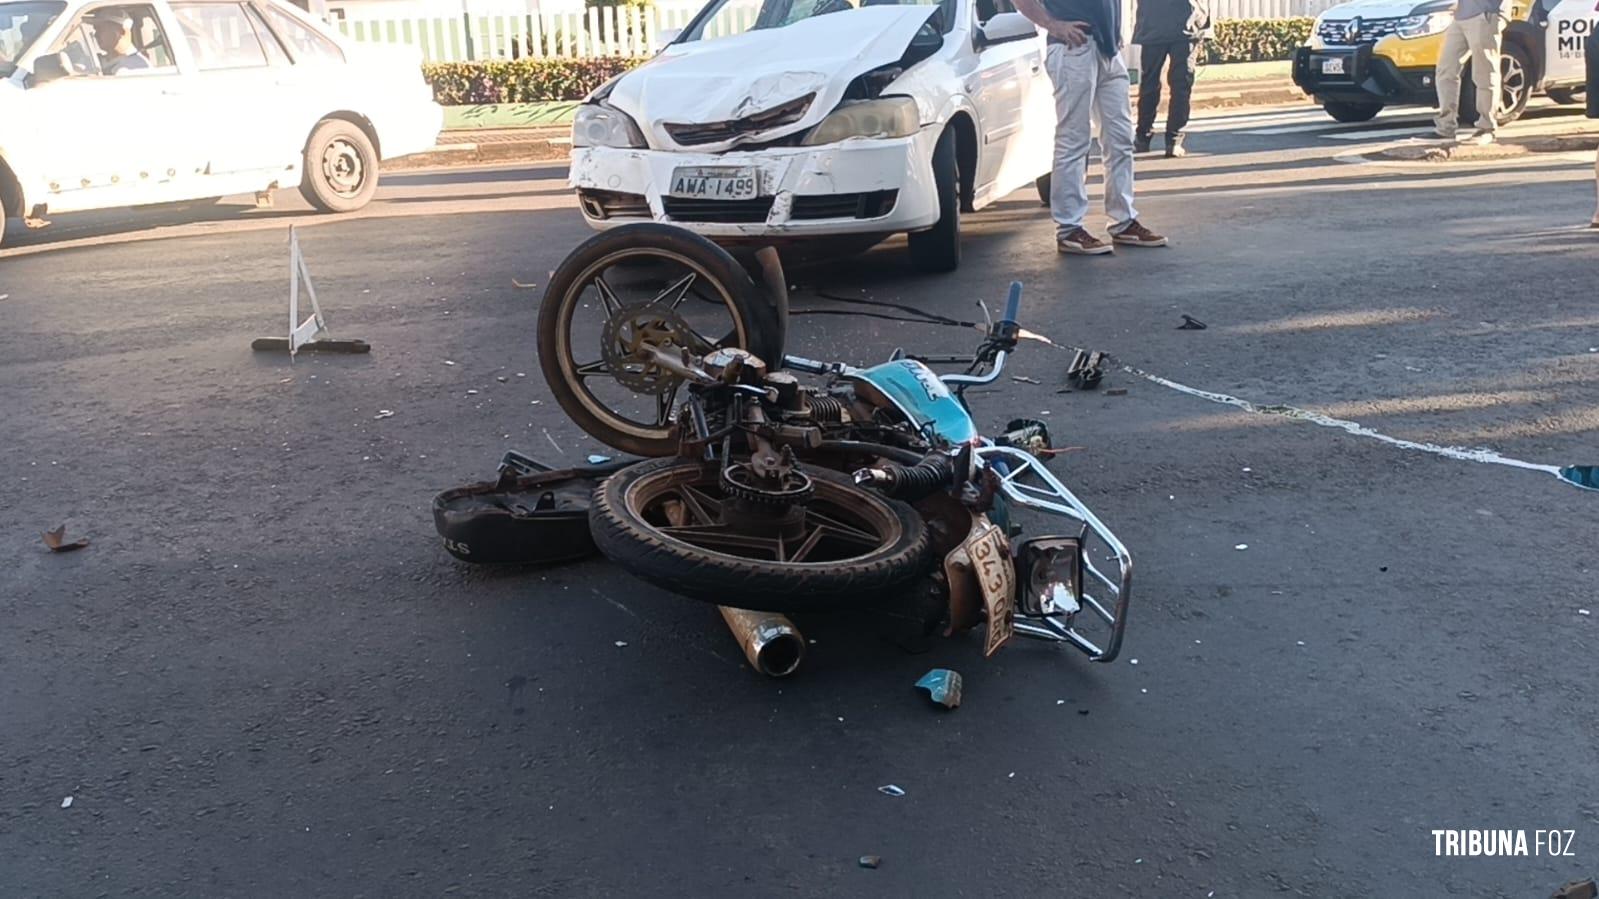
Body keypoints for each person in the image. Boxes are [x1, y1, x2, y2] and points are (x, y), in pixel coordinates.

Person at [1014, 0, 1165, 255]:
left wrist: (1114, 33)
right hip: (1073, 47)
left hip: (1107, 49)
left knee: (1121, 139)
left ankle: (1123, 220)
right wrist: (1053, 25)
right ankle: (1069, 228)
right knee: (1074, 140)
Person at [1132, 0, 1210, 157]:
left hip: (1152, 22)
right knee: (1181, 84)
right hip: (1186, 23)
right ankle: (1173, 139)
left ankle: (1143, 137)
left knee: (1150, 83)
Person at [1432, 0, 1505, 145]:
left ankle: (1487, 127)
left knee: (1484, 71)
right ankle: (1446, 127)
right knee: (1445, 69)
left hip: (1485, 13)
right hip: (1460, 16)